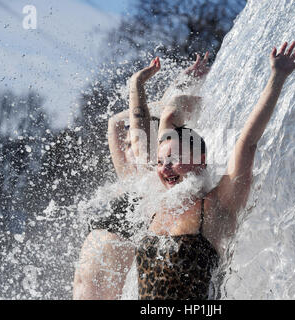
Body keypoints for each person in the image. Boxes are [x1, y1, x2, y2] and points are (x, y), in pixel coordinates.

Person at [135, 41, 295, 299]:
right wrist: (138, 85)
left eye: (173, 159)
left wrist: (278, 77)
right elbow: (157, 128)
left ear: (201, 161)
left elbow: (247, 143)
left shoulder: (217, 203)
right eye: (160, 162)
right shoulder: (157, 200)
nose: (164, 167)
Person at [73, 53, 210, 299]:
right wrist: (155, 91)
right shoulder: (127, 178)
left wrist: (138, 86)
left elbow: (141, 125)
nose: (129, 148)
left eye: (134, 143)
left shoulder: (153, 180)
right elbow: (117, 122)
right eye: (126, 144)